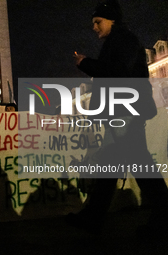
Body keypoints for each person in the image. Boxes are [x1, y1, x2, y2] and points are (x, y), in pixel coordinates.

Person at [68, 0, 168, 236]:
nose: (94, 27)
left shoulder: (123, 40)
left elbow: (118, 73)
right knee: (112, 165)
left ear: (112, 20)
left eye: (97, 22)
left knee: (137, 164)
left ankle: (163, 216)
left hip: (125, 112)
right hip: (123, 111)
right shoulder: (120, 40)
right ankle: (94, 217)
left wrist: (86, 63)